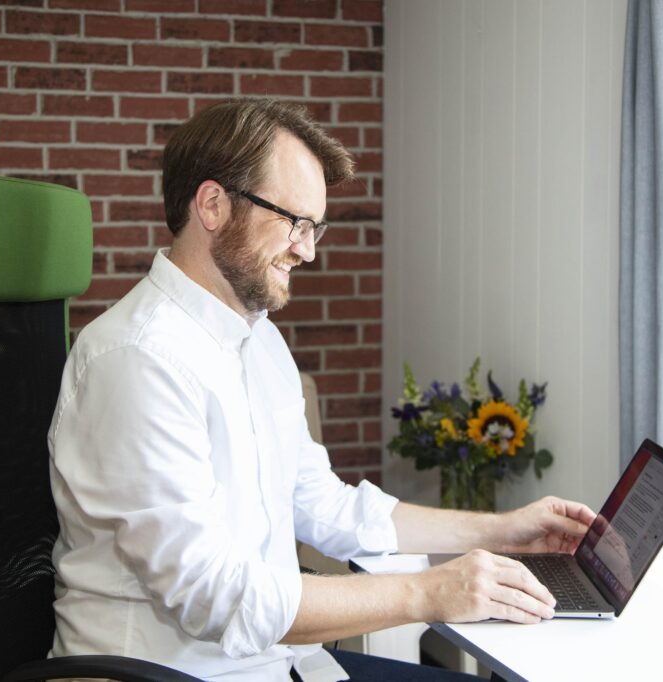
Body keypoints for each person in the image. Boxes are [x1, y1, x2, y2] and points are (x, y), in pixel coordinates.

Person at [47, 99, 597, 682]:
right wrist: (429, 592)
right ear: (212, 204)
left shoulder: (258, 341)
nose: (307, 250)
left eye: (314, 227)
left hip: (278, 665)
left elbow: (323, 504)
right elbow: (215, 596)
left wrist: (501, 530)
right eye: (293, 222)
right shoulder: (137, 359)